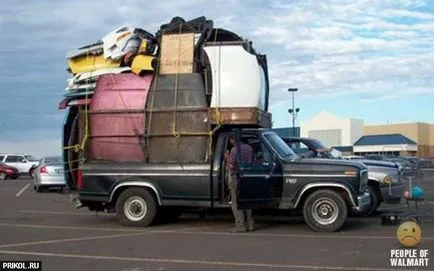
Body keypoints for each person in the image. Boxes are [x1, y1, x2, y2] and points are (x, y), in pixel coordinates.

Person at [225, 134, 255, 232]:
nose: (230, 142)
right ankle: (250, 225)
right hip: (247, 177)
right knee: (247, 202)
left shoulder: (234, 150)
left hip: (236, 177)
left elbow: (231, 165)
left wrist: (227, 157)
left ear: (233, 139)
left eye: (231, 140)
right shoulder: (249, 148)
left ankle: (240, 225)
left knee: (236, 202)